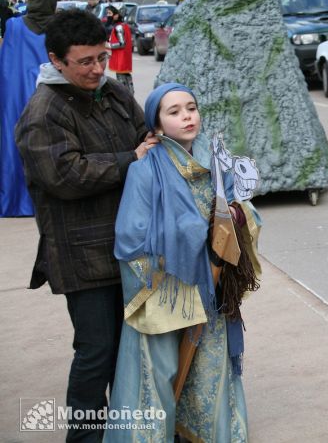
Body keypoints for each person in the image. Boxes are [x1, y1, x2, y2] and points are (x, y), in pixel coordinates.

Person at [14, 9, 154, 442]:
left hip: (126, 246)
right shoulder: (44, 111)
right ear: (57, 60)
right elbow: (65, 176)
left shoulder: (111, 92)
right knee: (97, 353)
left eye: (102, 57)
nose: (97, 69)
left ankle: (130, 432)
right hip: (81, 255)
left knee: (134, 351)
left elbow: (144, 134)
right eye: (85, 62)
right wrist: (129, 160)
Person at [105, 83, 261, 442]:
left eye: (190, 108)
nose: (187, 116)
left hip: (212, 285)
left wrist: (236, 218)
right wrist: (191, 238)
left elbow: (243, 209)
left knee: (208, 367)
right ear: (156, 125)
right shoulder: (144, 172)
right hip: (165, 290)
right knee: (159, 373)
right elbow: (130, 238)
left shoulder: (216, 163)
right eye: (173, 111)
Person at [0, 0, 57, 217]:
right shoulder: (58, 27)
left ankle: (16, 199)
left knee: (14, 141)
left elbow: (7, 66)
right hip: (50, 91)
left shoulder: (13, 26)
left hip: (17, 95)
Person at [105, 5, 134, 94]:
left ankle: (127, 98)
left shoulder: (119, 27)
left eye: (110, 13)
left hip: (121, 58)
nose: (108, 15)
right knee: (125, 78)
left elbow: (122, 44)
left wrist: (108, 45)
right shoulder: (121, 26)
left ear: (116, 15)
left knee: (122, 80)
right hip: (122, 58)